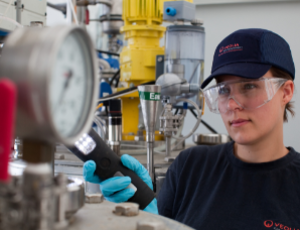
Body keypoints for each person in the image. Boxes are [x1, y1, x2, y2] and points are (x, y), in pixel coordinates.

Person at [83, 28, 300, 230]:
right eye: (224, 90)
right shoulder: (190, 167)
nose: (232, 104)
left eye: (249, 86)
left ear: (285, 92)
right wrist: (144, 209)